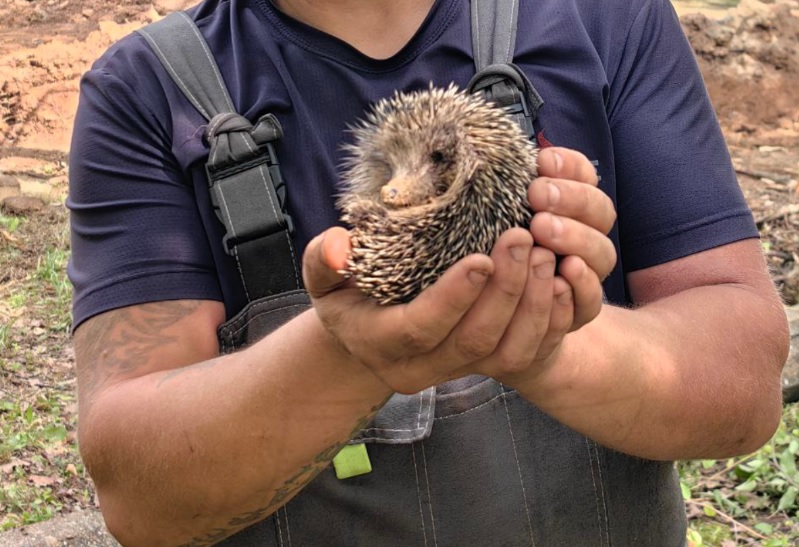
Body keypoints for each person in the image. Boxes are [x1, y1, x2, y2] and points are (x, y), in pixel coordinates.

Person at [67, 0, 788, 545]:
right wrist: (343, 352)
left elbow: (742, 385)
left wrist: (549, 345)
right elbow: (138, 492)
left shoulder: (606, 19)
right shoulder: (144, 91)